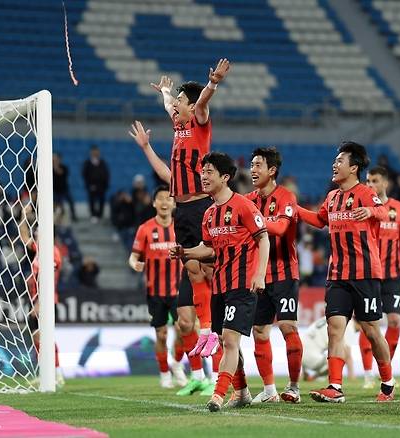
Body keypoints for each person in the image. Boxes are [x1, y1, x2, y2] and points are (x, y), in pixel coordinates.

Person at [129, 59, 230, 396]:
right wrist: (167, 94)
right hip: (182, 211)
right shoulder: (177, 124)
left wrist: (212, 84)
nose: (175, 109)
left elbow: (201, 102)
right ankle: (203, 357)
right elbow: (170, 104)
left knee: (205, 267)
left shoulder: (199, 120)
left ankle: (211, 329)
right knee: (191, 265)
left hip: (202, 204)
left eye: (179, 104)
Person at [297, 141, 395, 403]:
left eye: (340, 161)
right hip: (337, 275)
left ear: (353, 167)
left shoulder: (364, 193)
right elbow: (320, 221)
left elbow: (385, 210)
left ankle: (387, 381)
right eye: (335, 160)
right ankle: (335, 387)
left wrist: (371, 210)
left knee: (372, 331)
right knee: (334, 328)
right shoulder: (332, 197)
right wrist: (294, 210)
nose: (334, 164)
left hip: (365, 273)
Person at [171, 152, 270, 412]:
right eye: (202, 172)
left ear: (225, 177)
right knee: (228, 341)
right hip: (220, 286)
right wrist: (187, 253)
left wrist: (260, 274)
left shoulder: (244, 206)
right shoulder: (209, 214)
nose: (203, 176)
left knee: (228, 340)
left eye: (209, 172)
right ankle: (242, 392)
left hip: (243, 284)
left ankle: (217, 394)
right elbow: (209, 249)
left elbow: (263, 238)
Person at [243, 147, 303, 404]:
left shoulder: (286, 197)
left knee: (288, 326)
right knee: (259, 331)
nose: (253, 170)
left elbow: (279, 228)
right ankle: (269, 391)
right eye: (252, 165)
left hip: (285, 273)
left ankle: (293, 387)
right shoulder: (247, 200)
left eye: (258, 165)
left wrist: (252, 219)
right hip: (259, 275)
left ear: (272, 170)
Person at [359, 166, 400, 388]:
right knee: (368, 324)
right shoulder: (362, 208)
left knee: (394, 320)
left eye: (374, 181)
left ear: (385, 184)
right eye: (368, 181)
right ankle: (367, 374)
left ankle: (387, 369)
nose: (370, 185)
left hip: (392, 276)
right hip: (368, 275)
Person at [129, 185, 187, 389]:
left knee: (182, 329)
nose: (164, 202)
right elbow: (134, 256)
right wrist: (135, 264)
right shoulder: (145, 229)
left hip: (179, 289)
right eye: (160, 199)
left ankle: (178, 365)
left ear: (173, 203)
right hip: (155, 291)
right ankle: (164, 373)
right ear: (154, 203)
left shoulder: (180, 228)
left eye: (168, 199)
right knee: (161, 334)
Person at [27, 244, 65, 388]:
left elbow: (50, 278)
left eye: (37, 232)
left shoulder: (52, 251)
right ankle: (45, 374)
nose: (35, 234)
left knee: (46, 338)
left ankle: (57, 373)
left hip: (46, 302)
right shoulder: (39, 249)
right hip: (35, 300)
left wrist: (40, 301)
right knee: (37, 337)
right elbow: (24, 237)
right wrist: (23, 220)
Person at [302, 317, 356, 381]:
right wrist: (351, 377)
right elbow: (348, 356)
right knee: (338, 358)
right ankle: (314, 377)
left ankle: (308, 376)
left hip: (300, 352)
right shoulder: (348, 326)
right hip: (312, 357)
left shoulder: (336, 317)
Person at [82, 145, 109, 223]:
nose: (95, 153)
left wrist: (104, 184)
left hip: (101, 186)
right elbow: (85, 174)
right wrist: (89, 184)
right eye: (93, 151)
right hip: (91, 186)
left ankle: (100, 215)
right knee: (92, 201)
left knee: (101, 201)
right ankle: (93, 215)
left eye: (96, 151)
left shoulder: (102, 162)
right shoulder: (87, 163)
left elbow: (106, 174)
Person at [53, 153, 78, 222]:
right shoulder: (49, 168)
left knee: (71, 202)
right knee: (60, 205)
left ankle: (74, 216)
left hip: (64, 189)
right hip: (55, 190)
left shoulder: (64, 167)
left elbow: (60, 173)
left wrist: (55, 166)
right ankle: (60, 218)